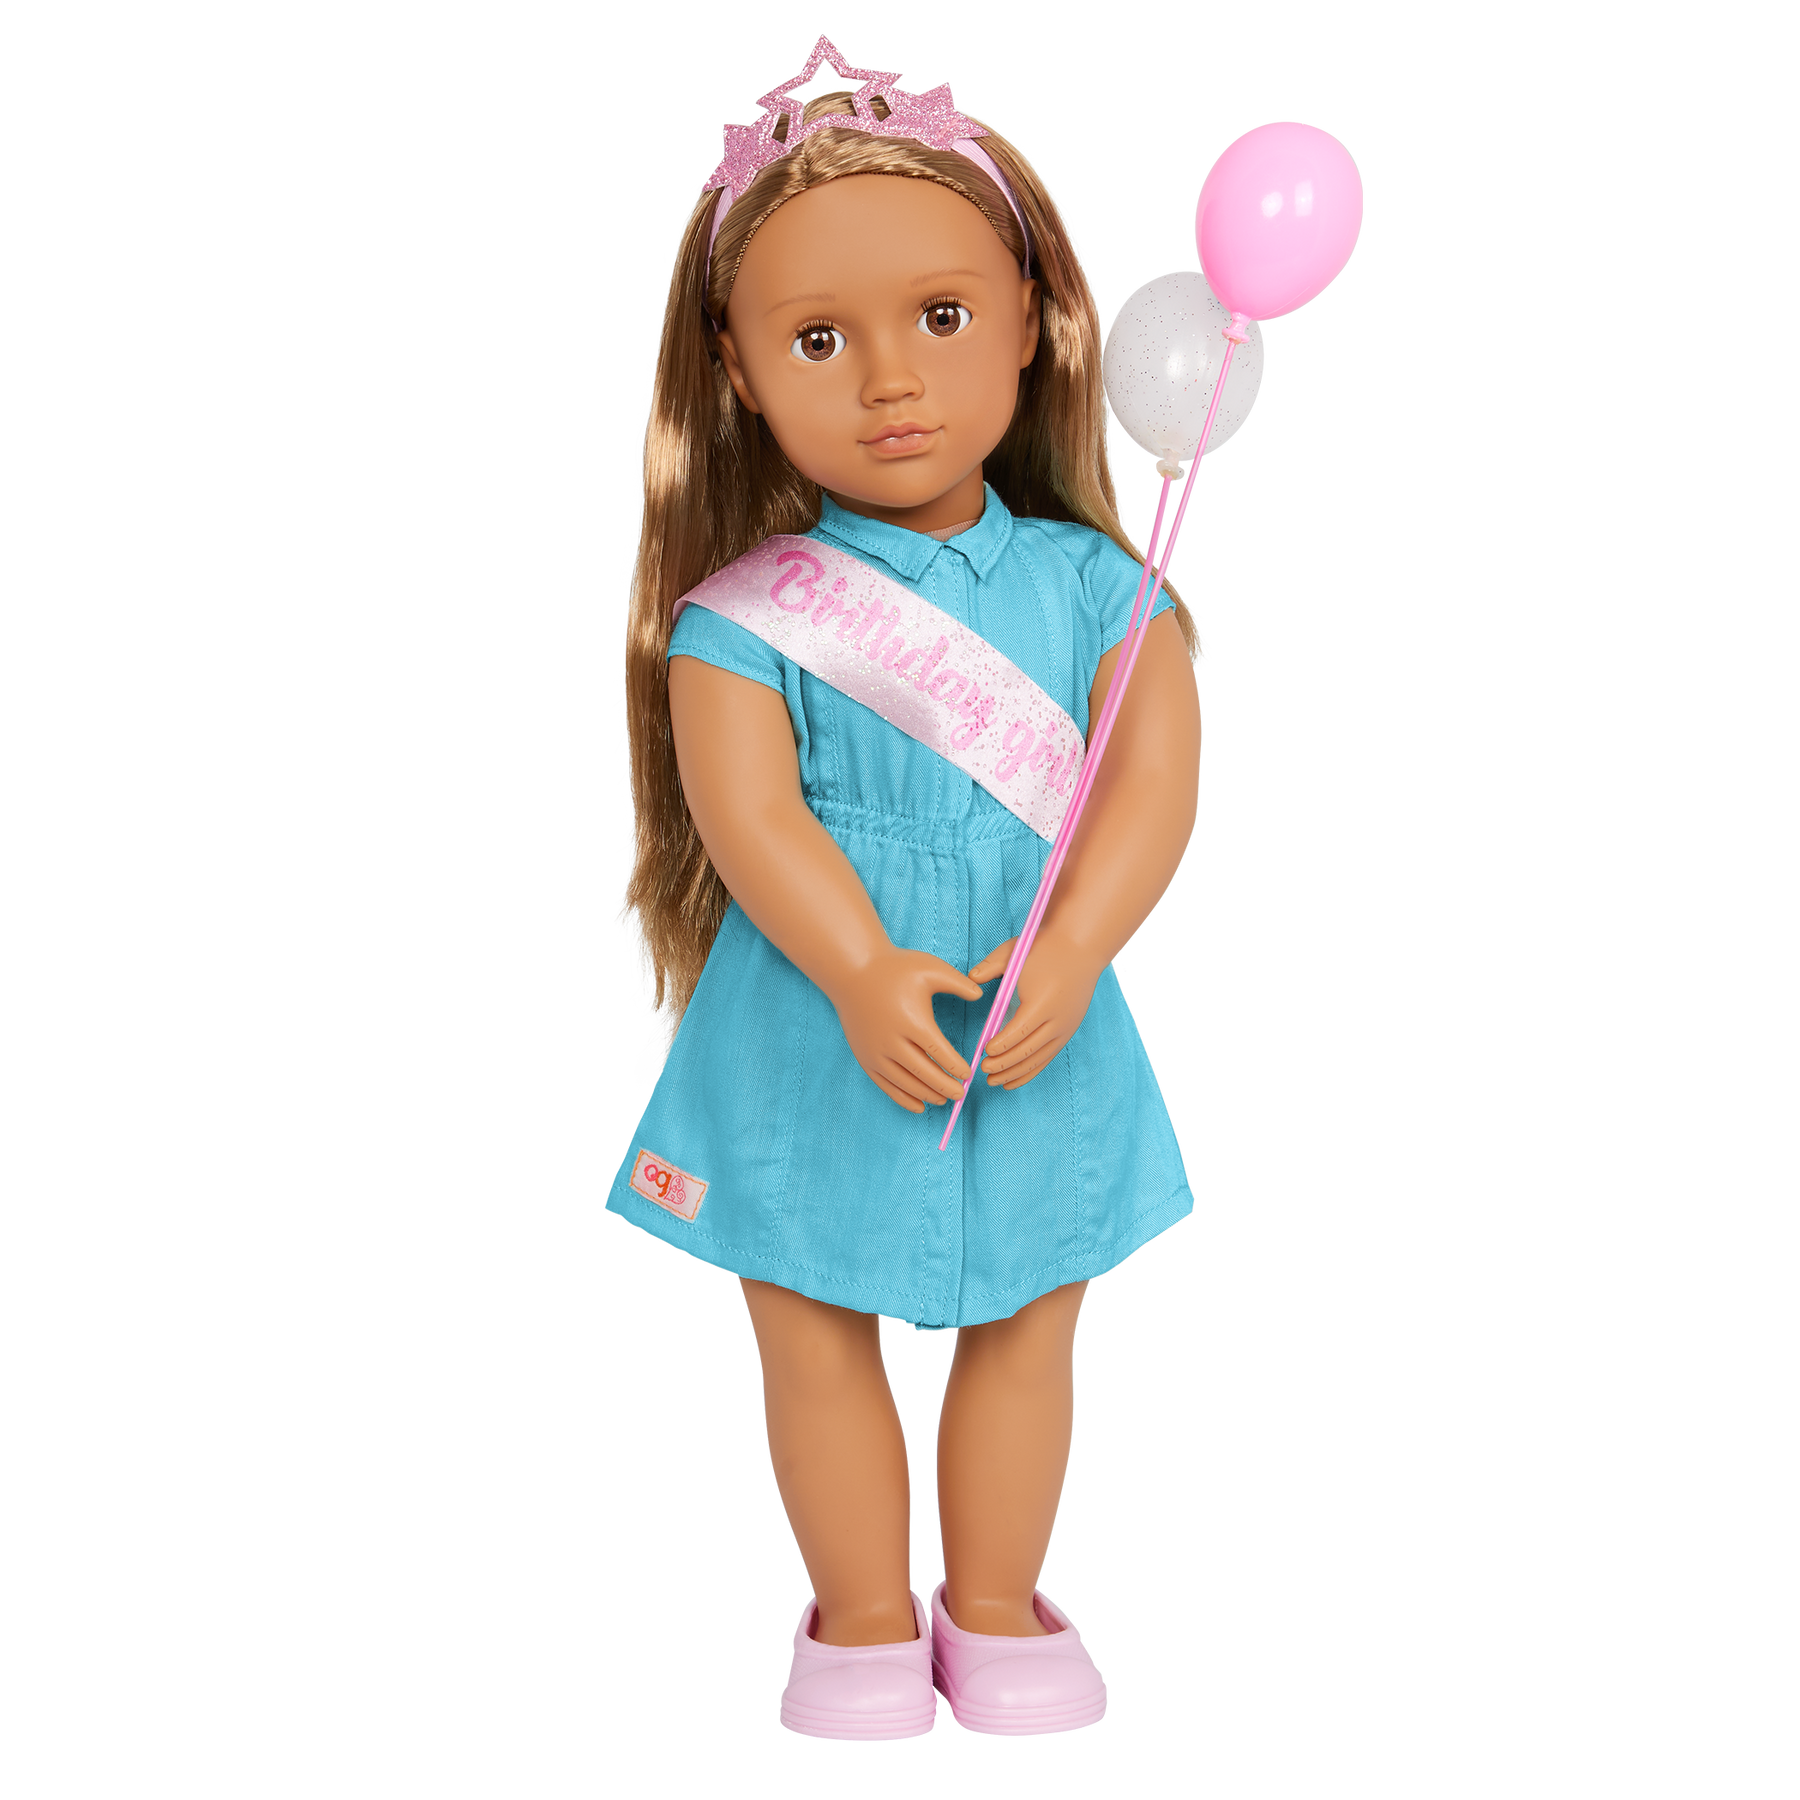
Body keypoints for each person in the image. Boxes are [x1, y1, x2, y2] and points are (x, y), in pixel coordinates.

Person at [604, 37, 1206, 1740]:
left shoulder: (1105, 588)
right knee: (809, 1325)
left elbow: (1154, 789)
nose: (890, 381)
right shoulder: (740, 617)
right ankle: (864, 1616)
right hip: (815, 1010)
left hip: (1037, 999)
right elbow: (750, 817)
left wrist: (1075, 949)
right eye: (818, 339)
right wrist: (861, 967)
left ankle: (996, 1602)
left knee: (1031, 1319)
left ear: (1033, 321)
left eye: (941, 316)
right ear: (734, 370)